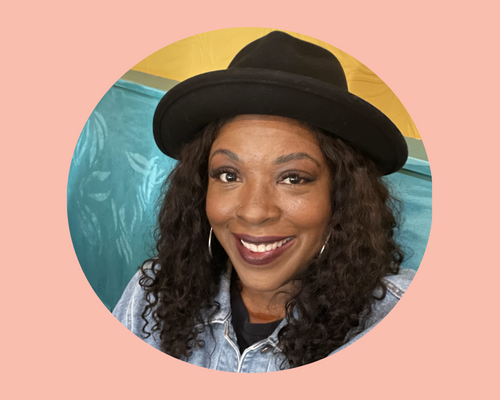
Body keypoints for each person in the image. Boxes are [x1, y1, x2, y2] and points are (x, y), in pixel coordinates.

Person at [112, 31, 415, 372]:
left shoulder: (395, 315)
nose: (254, 212)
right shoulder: (151, 294)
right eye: (228, 175)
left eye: (293, 178)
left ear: (341, 197)